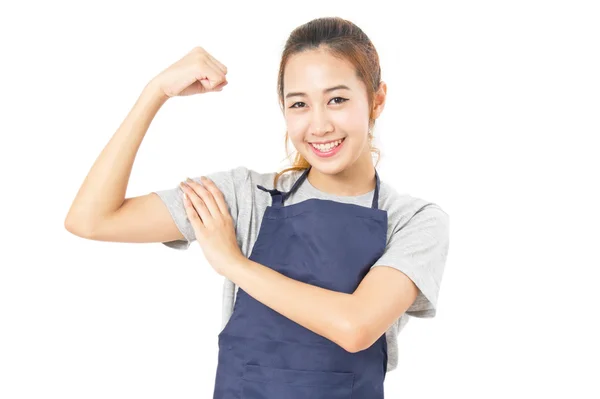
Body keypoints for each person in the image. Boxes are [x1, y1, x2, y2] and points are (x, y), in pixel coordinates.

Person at [65, 16, 449, 399]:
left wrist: (233, 263)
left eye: (337, 100)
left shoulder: (413, 221)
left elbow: (356, 327)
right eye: (299, 104)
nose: (318, 125)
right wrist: (155, 92)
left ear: (376, 100)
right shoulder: (246, 197)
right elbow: (91, 219)